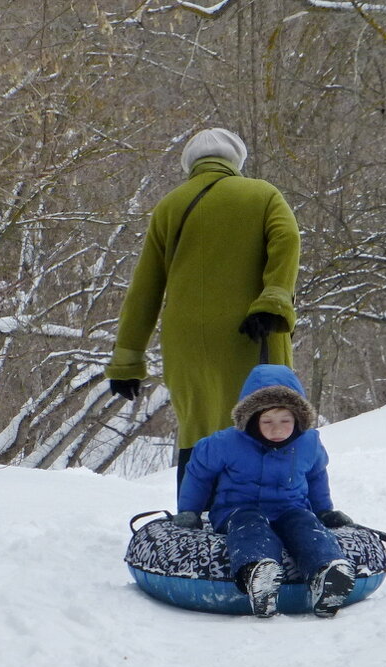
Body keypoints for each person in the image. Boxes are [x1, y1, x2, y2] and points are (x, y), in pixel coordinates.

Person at [105, 128, 300, 489]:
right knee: (265, 420)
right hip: (252, 331)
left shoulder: (169, 206)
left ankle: (193, 518)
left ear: (190, 164)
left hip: (186, 342)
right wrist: (273, 300)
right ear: (236, 160)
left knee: (197, 428)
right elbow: (287, 239)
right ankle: (267, 520)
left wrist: (127, 359)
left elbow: (145, 289)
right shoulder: (261, 194)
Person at [172, 363, 358, 618]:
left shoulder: (309, 442)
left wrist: (324, 511)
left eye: (285, 420)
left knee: (305, 524)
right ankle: (258, 574)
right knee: (250, 526)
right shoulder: (226, 443)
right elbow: (199, 473)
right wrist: (190, 511)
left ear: (298, 419)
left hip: (290, 507)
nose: (277, 428)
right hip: (238, 509)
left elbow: (316, 476)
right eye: (267, 421)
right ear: (251, 418)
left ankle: (327, 573)